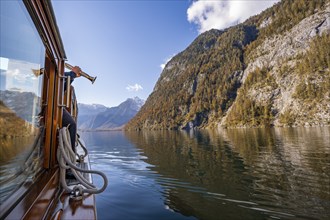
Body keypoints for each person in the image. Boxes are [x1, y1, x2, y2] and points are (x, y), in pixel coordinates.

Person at [62, 66, 81, 153]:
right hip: (55, 105)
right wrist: (73, 73)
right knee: (72, 124)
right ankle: (71, 153)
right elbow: (62, 76)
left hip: (55, 103)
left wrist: (73, 75)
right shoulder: (56, 72)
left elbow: (63, 87)